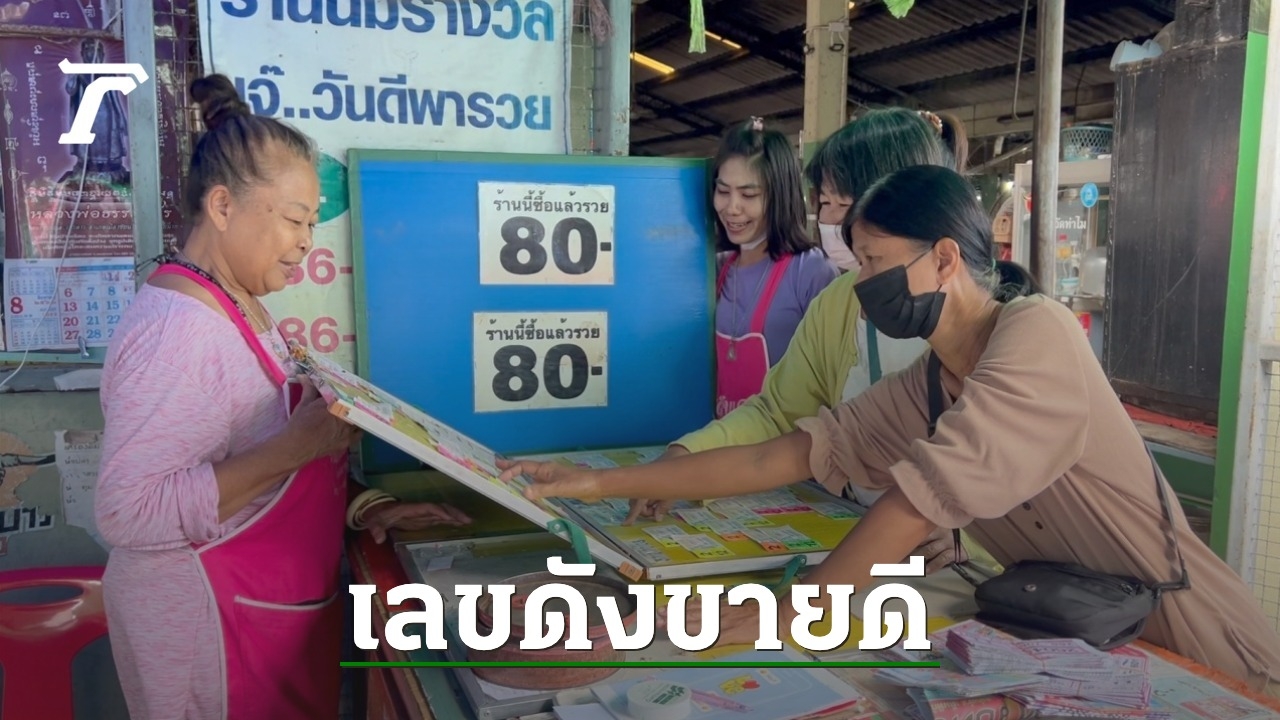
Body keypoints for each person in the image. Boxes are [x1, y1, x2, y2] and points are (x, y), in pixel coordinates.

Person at [497, 165, 1280, 695]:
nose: (860, 283)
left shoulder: (1036, 334)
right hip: (1076, 632)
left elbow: (921, 496)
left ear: (944, 259)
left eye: (872, 261)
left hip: (1183, 634)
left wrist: (788, 611)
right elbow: (790, 452)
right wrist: (600, 483)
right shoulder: (933, 378)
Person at [94, 75, 471, 720]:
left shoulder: (238, 304)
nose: (306, 241)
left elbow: (259, 461)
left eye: (313, 223)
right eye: (295, 220)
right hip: (208, 629)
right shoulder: (179, 333)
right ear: (222, 206)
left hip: (265, 608)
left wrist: (365, 506)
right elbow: (128, 514)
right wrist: (298, 447)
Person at [631, 108, 979, 572]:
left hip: (958, 567)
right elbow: (779, 412)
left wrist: (966, 533)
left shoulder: (997, 320)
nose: (830, 222)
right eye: (825, 203)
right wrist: (686, 459)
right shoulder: (839, 300)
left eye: (843, 205)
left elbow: (1023, 465)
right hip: (860, 537)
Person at [710, 116, 839, 420]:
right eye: (723, 191)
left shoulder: (811, 272)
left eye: (749, 195)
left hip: (788, 440)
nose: (732, 208)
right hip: (722, 438)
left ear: (779, 196)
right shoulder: (715, 269)